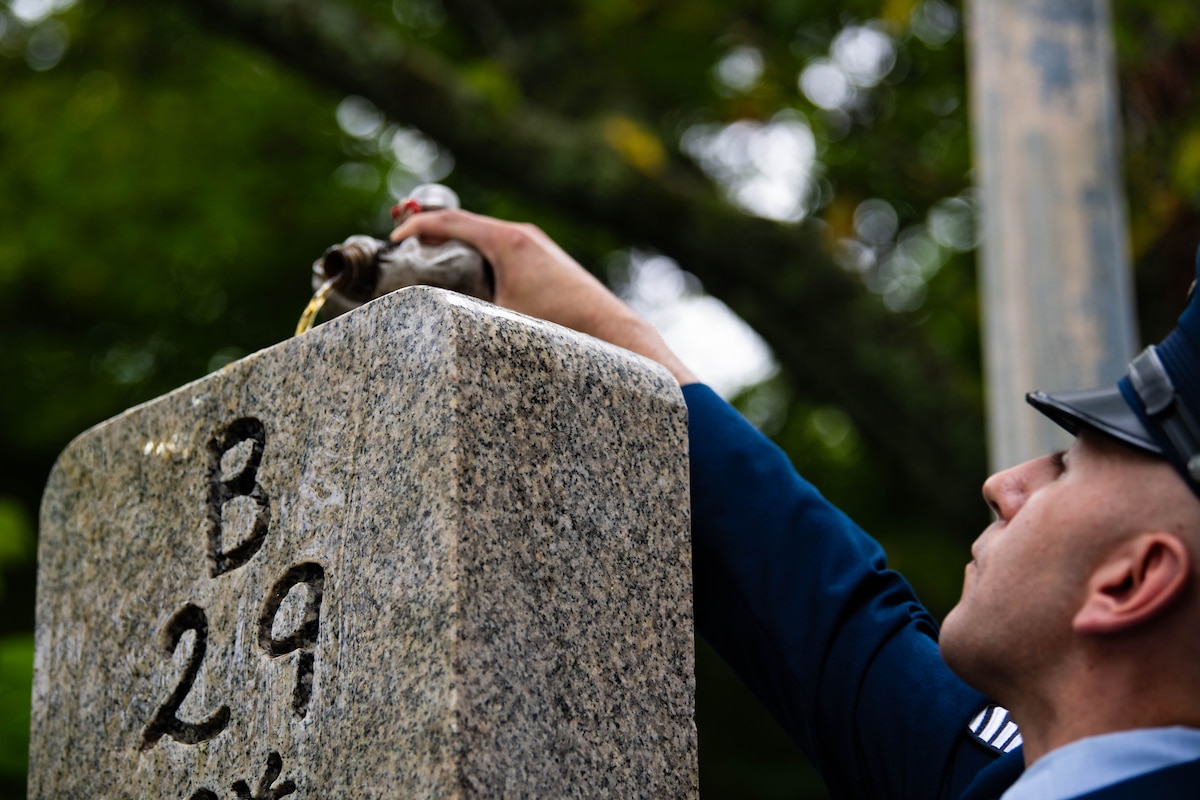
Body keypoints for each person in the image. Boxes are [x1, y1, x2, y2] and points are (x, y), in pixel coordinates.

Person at [389, 210, 1200, 798]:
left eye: (1065, 467)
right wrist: (593, 325)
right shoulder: (1000, 771)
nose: (1005, 485)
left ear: (1131, 580)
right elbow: (808, 590)